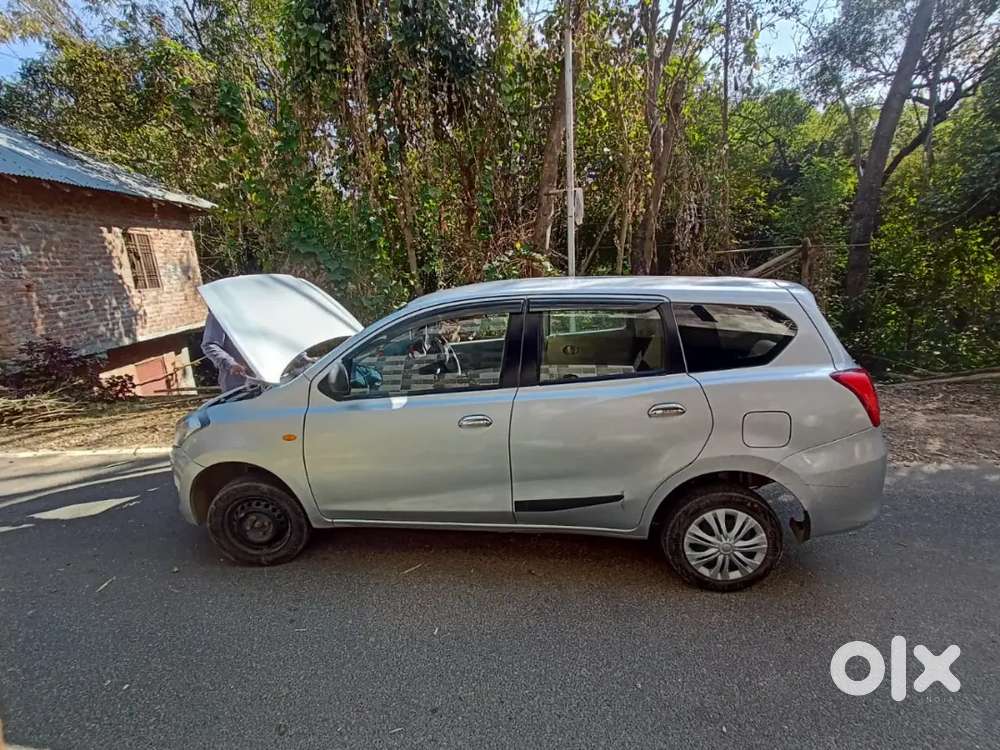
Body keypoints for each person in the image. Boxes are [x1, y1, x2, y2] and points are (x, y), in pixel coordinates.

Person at [201, 312, 252, 391]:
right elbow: (209, 345)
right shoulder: (219, 312)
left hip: (269, 385)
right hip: (239, 388)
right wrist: (231, 364)